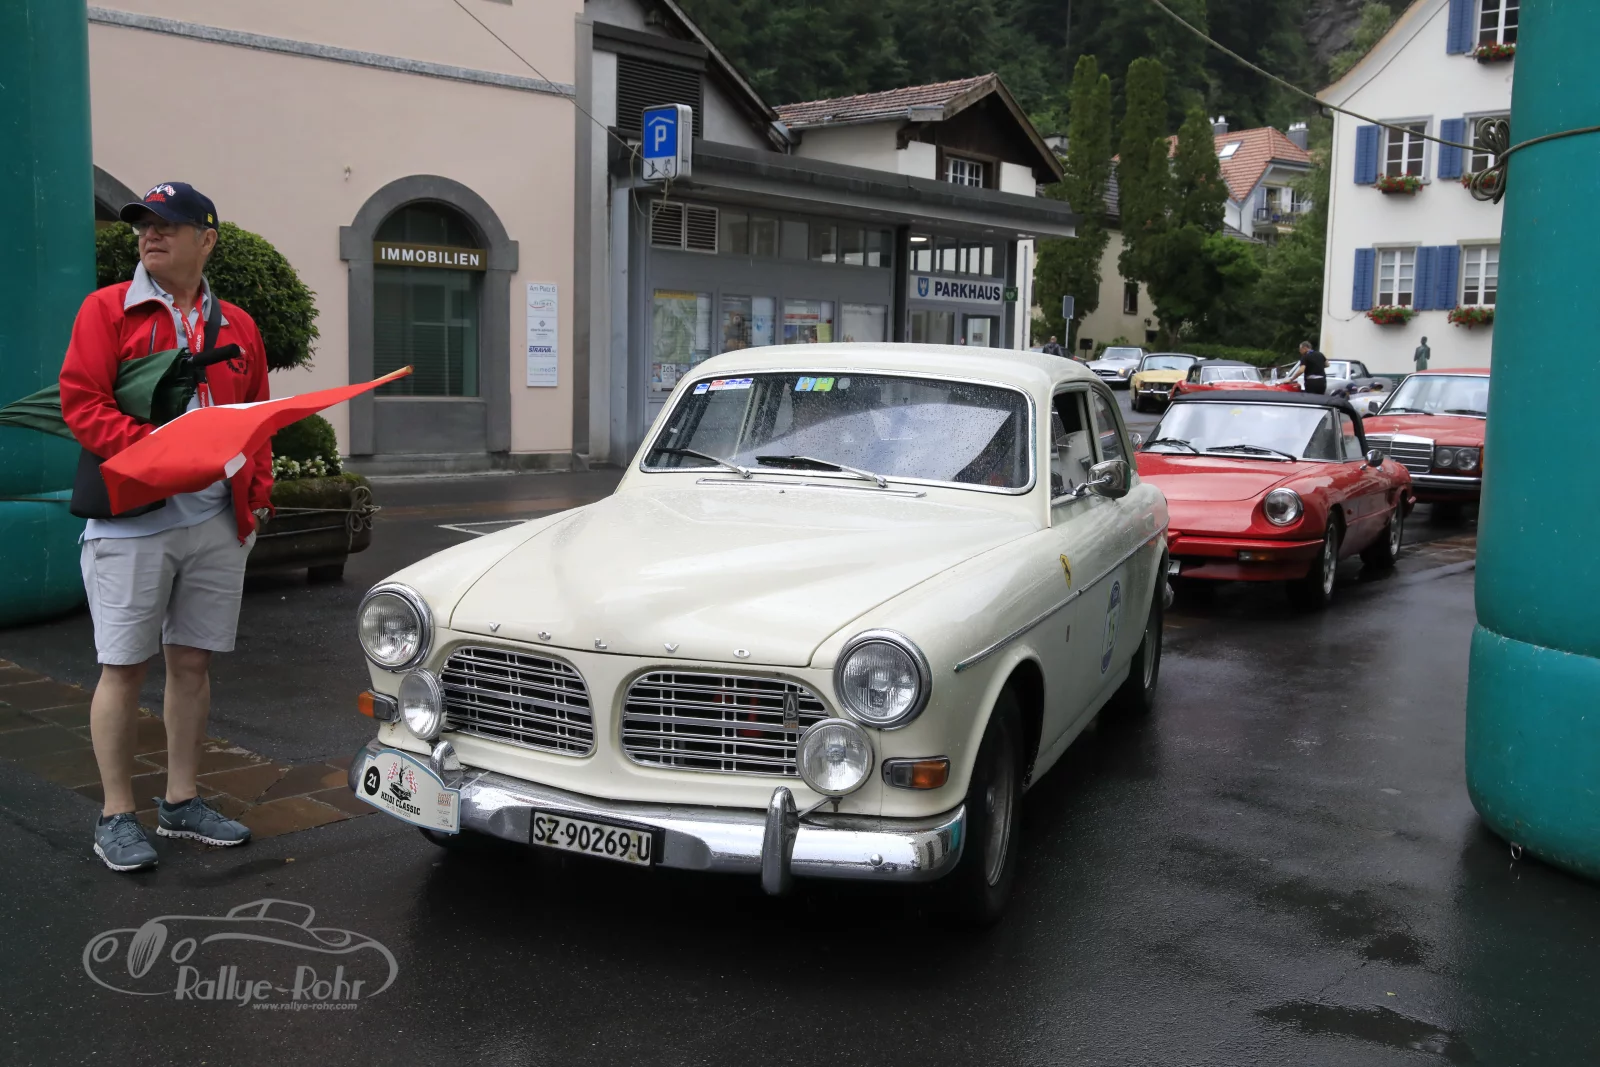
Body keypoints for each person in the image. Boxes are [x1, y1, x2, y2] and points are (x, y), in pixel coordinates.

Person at [59, 182, 274, 872]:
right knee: (123, 666)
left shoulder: (238, 325)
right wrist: (156, 453)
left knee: (192, 662)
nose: (150, 234)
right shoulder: (106, 310)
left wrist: (257, 496)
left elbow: (257, 417)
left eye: (167, 225)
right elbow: (82, 402)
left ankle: (181, 801)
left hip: (215, 518)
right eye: (143, 225)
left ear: (206, 240)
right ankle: (115, 813)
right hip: (131, 521)